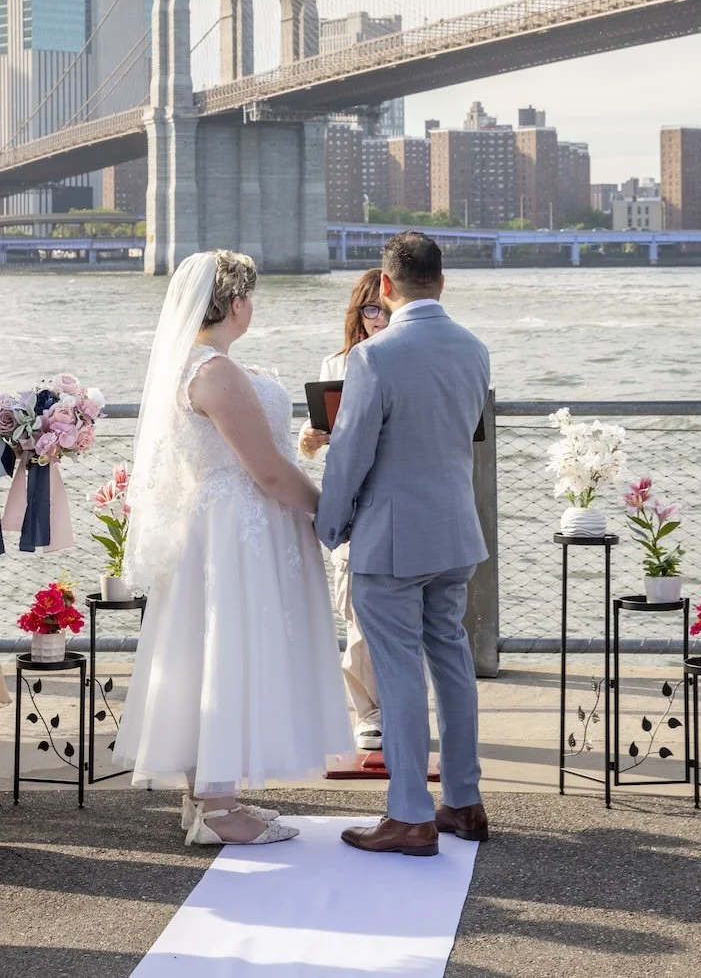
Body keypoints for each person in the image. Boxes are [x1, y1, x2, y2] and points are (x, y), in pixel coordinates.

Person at [114, 250, 352, 847]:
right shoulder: (215, 371)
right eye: (251, 297)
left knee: (207, 653)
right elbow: (267, 471)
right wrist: (330, 510)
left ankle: (207, 800)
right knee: (228, 649)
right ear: (237, 302)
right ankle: (219, 809)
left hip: (215, 523)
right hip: (238, 526)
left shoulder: (191, 365)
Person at [317, 231, 491, 857]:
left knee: (397, 674)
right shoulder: (475, 349)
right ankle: (465, 802)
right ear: (442, 282)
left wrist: (328, 526)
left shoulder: (374, 358)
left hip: (392, 538)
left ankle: (411, 814)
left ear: (385, 288)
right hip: (456, 531)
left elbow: (352, 455)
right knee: (451, 662)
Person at [299, 268, 388, 752]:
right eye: (369, 308)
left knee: (397, 614)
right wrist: (310, 438)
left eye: (386, 307)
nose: (378, 317)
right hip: (351, 498)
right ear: (358, 313)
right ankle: (367, 712)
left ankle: (393, 707)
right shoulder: (337, 365)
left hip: (395, 495)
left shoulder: (409, 359)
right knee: (354, 608)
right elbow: (317, 439)